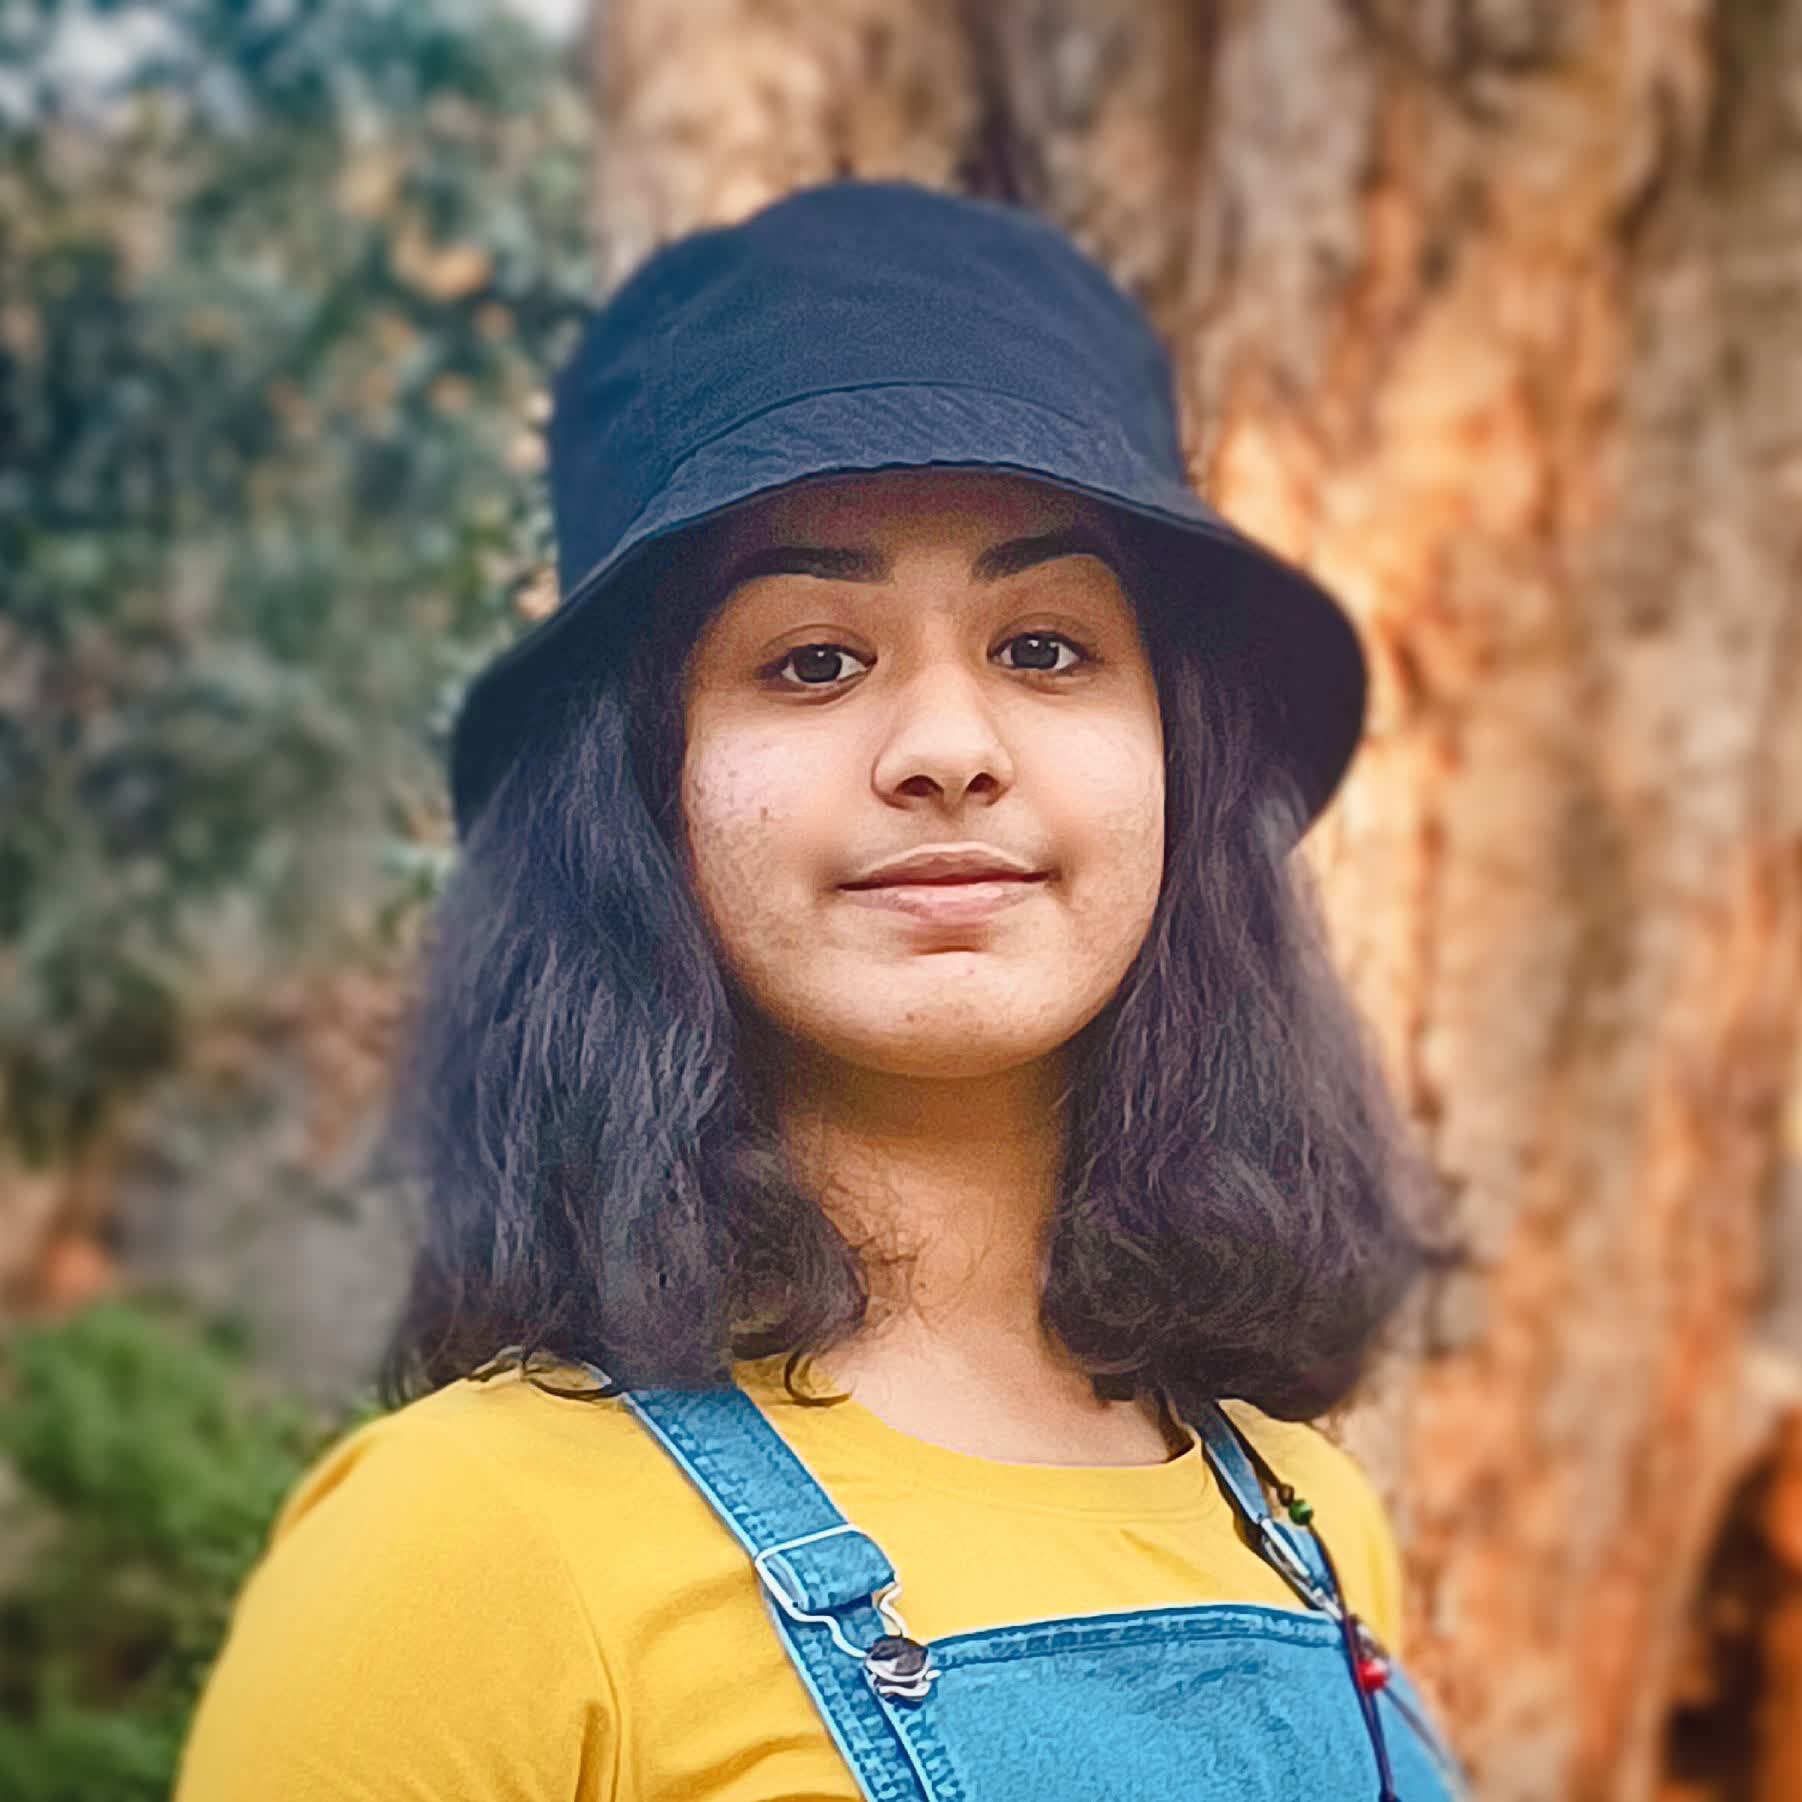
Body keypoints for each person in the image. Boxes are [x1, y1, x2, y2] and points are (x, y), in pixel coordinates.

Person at [174, 178, 1472, 1801]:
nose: (947, 748)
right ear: (638, 788)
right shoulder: (461, 1552)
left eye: (1045, 646)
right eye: (811, 659)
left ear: (1178, 761)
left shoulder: (1301, 1518)